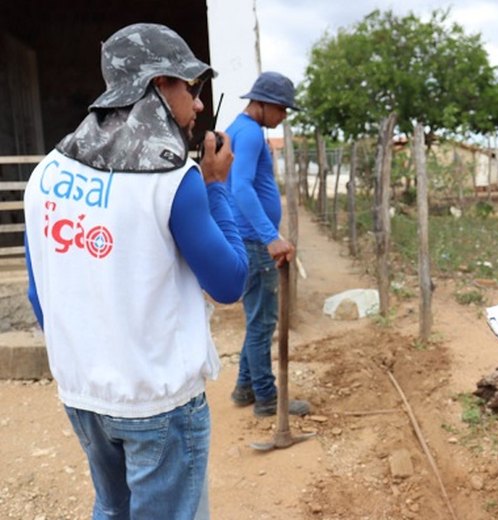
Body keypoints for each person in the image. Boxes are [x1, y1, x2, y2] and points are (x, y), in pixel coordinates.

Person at [23, 23, 248, 519]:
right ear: (160, 85)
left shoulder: (46, 175)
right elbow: (230, 282)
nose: (200, 105)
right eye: (191, 88)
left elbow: (40, 296)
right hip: (157, 401)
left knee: (112, 508)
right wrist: (216, 186)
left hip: (83, 393)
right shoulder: (173, 181)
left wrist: (91, 353)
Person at [226, 71, 308, 417]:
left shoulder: (241, 130)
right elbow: (241, 188)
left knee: (255, 319)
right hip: (255, 243)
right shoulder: (250, 136)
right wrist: (270, 236)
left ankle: (245, 388)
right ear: (263, 104)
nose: (284, 116)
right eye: (282, 109)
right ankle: (267, 399)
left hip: (248, 238)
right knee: (262, 325)